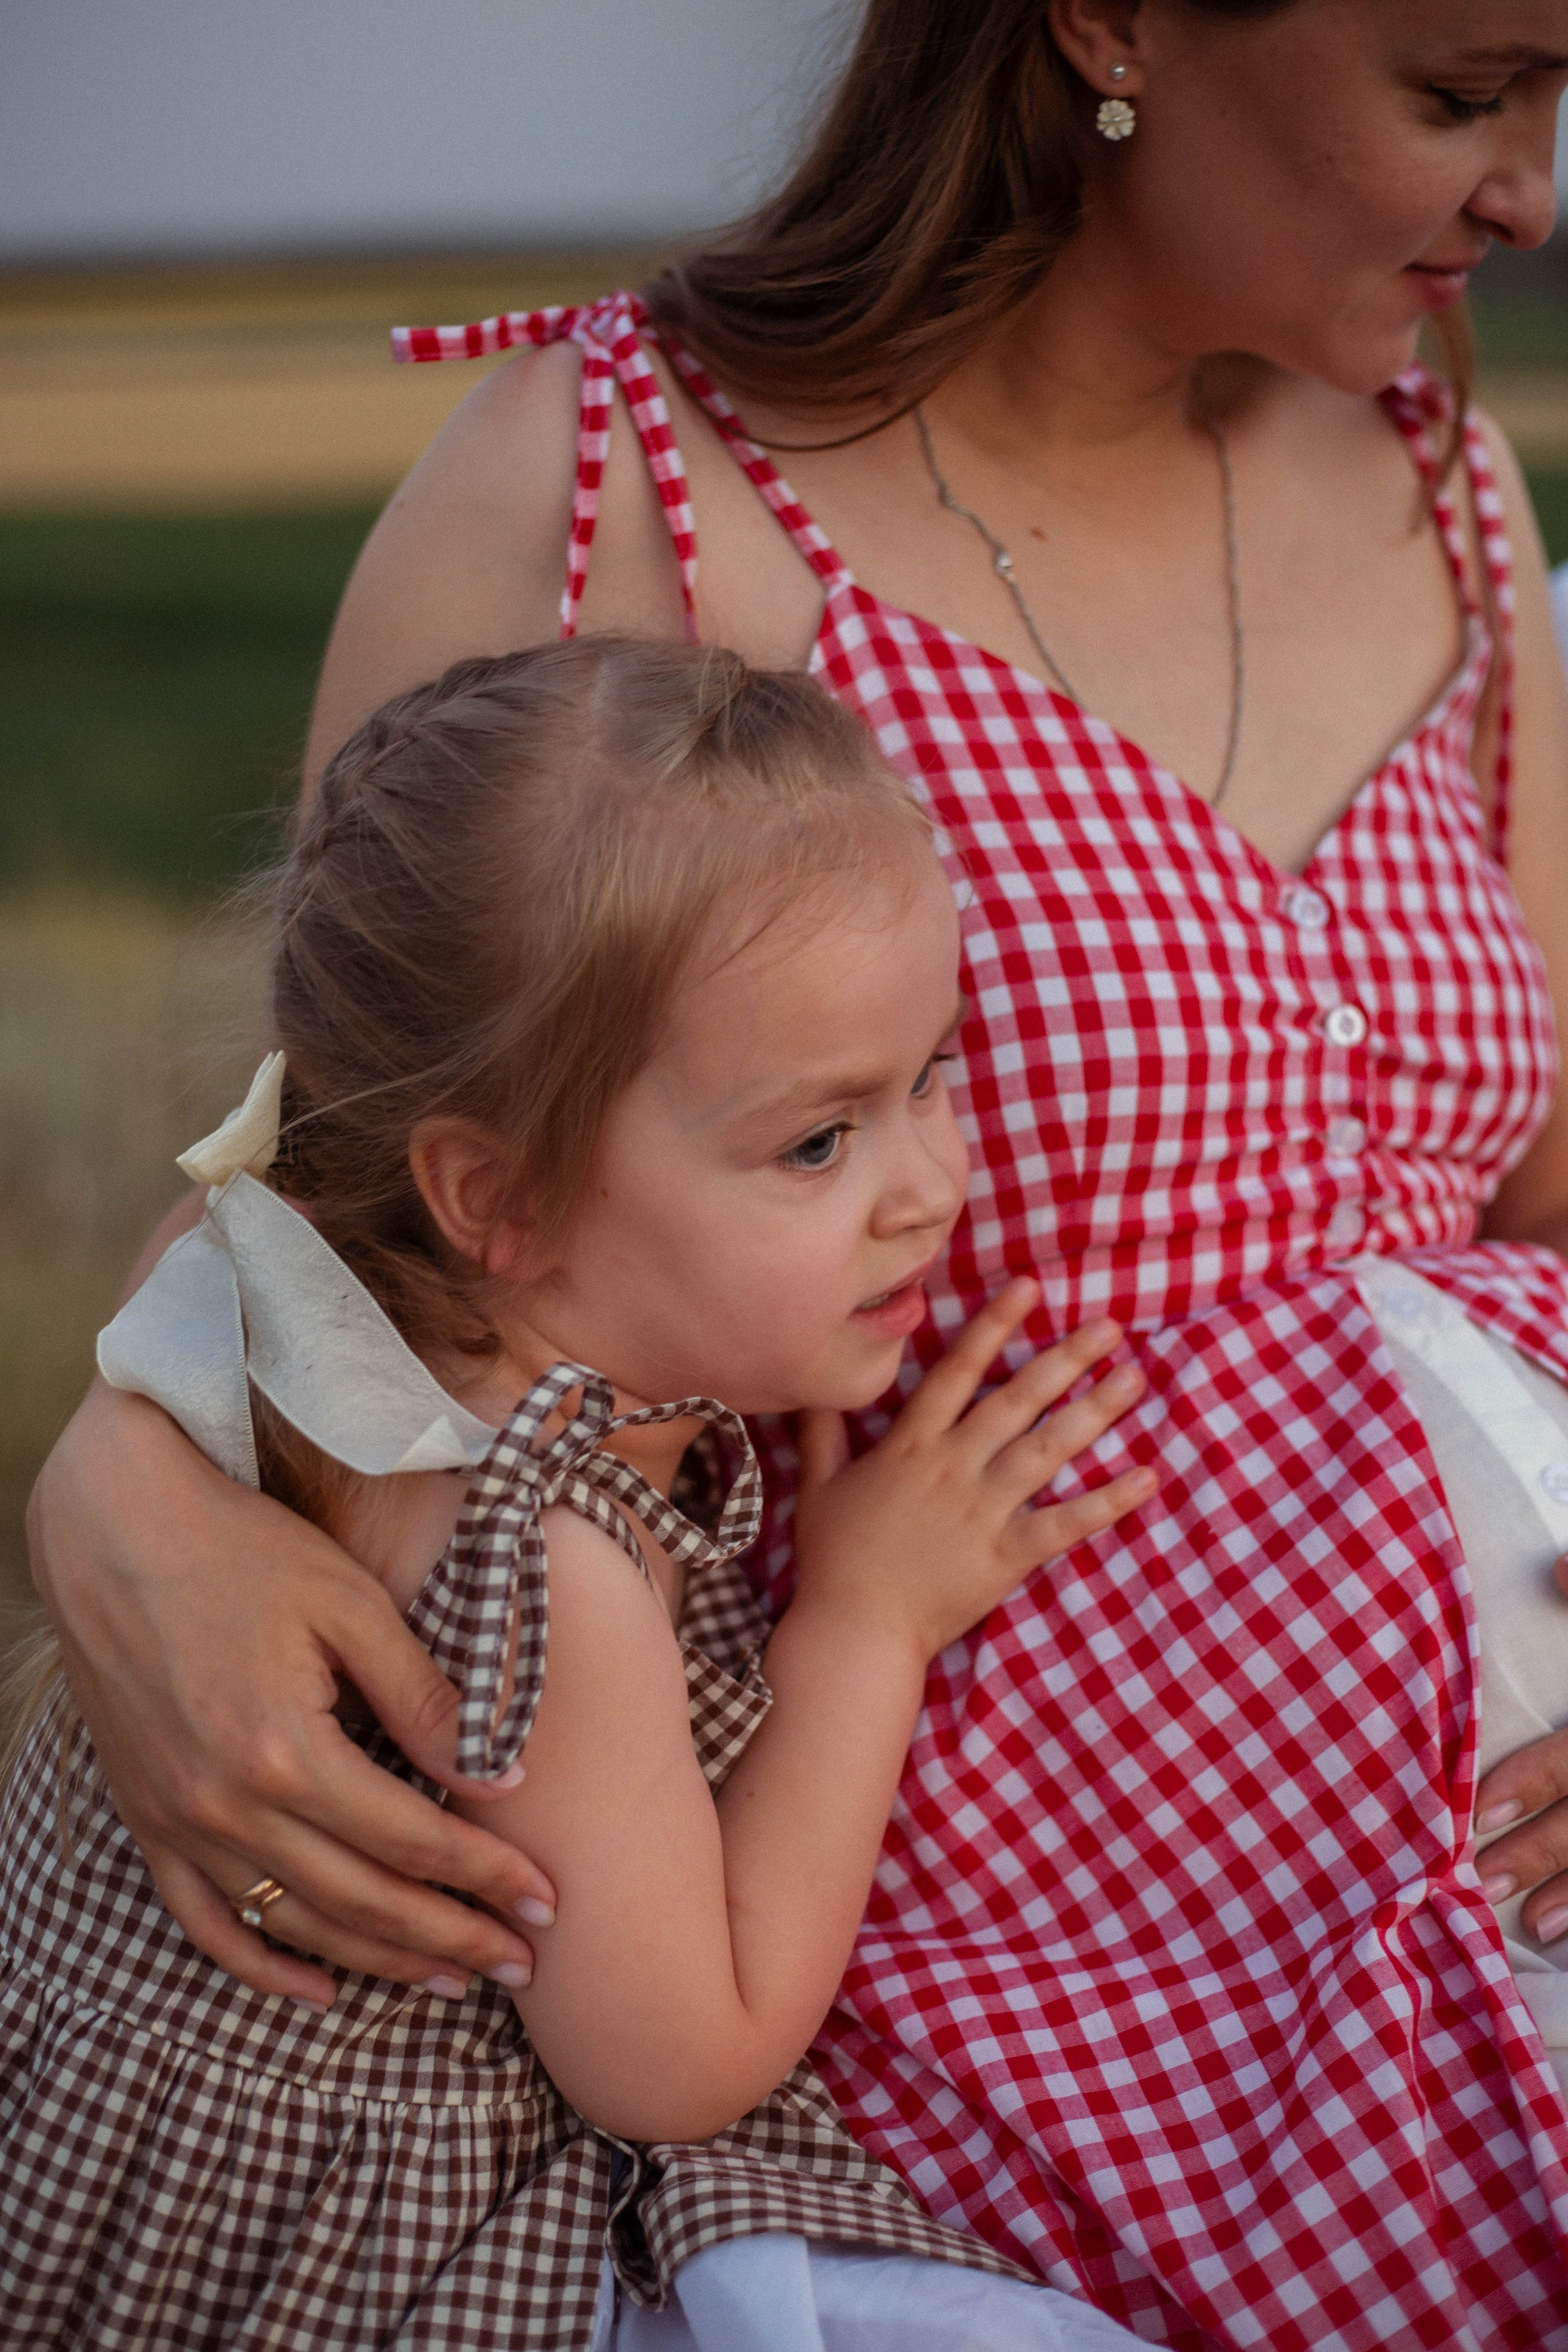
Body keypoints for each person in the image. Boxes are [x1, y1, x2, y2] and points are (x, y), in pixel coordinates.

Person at [24, 0, 1568, 2342]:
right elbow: (345, 1204)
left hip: (1487, 1887)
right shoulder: (611, 478)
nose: (1533, 192)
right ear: (1116, 22)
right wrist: (113, 1494)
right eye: (1461, 95)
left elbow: (1532, 1220)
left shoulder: (1447, 473)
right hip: (1048, 1984)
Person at [0, 639, 1155, 2350]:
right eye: (818, 1142)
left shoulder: (291, 1281)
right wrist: (867, 1622)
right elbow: (679, 2060)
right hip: (346, 2260)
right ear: (498, 1200)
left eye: (932, 1074)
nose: (930, 1184)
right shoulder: (544, 1558)